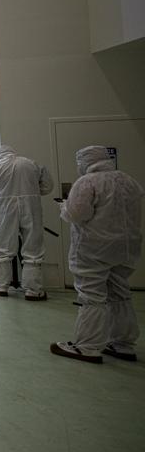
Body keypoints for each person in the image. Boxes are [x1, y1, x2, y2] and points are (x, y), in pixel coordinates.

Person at [50, 146, 144, 364]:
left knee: (91, 295)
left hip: (95, 248)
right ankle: (123, 344)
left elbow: (76, 214)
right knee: (120, 292)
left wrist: (64, 207)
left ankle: (87, 346)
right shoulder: (128, 180)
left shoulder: (87, 182)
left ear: (85, 162)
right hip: (126, 247)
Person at [0, 145, 53, 299]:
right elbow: (47, 186)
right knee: (33, 247)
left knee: (2, 246)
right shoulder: (31, 163)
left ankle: (1, 286)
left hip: (5, 209)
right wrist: (31, 193)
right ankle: (33, 290)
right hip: (31, 206)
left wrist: (1, 203)